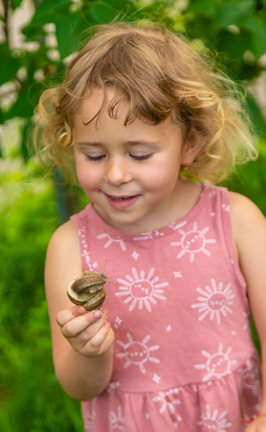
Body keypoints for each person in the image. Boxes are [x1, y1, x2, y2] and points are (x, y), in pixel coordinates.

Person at [34, 22, 266, 431]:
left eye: (139, 154)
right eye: (94, 154)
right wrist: (90, 353)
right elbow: (80, 387)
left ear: (190, 143)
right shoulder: (71, 246)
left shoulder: (236, 221)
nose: (117, 173)